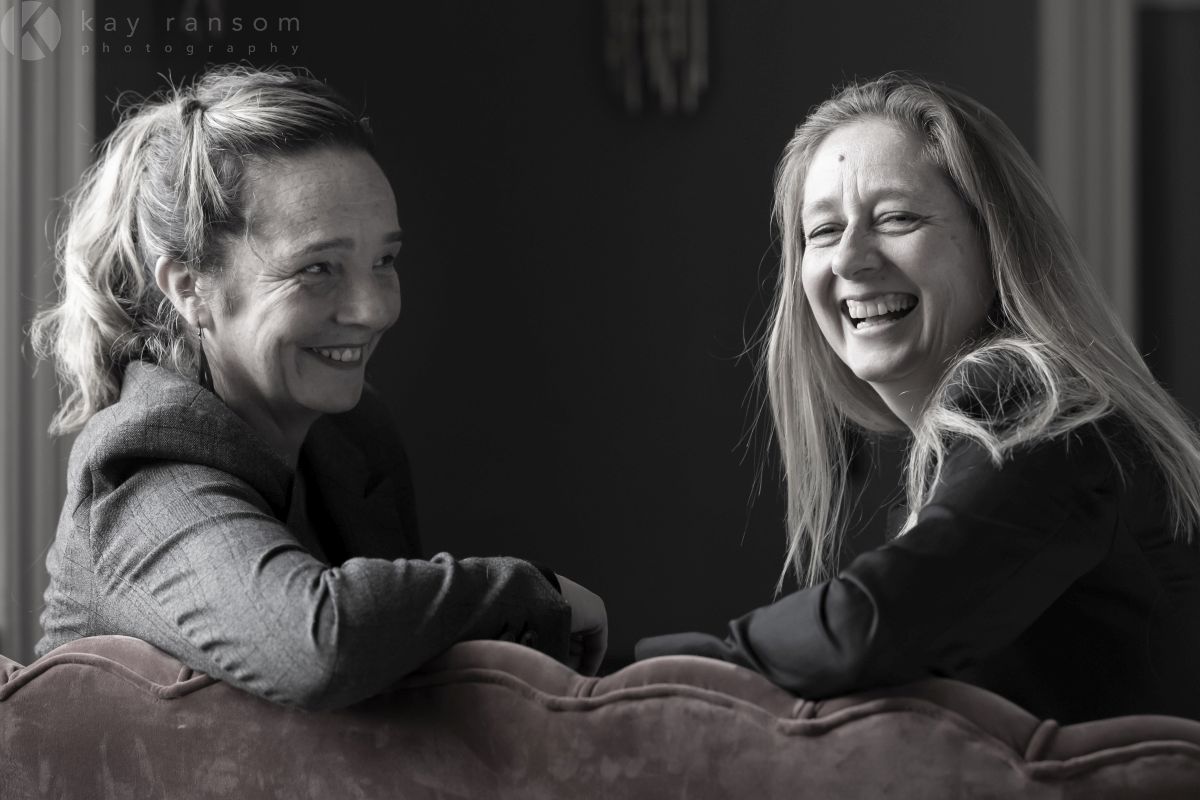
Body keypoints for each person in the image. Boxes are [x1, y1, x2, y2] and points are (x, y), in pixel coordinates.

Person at [32, 64, 606, 710]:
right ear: (190, 286)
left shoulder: (354, 436)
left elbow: (397, 701)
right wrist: (533, 591)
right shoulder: (143, 470)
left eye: (384, 261)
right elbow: (319, 644)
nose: (373, 309)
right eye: (317, 268)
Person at [636, 73, 1200, 724]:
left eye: (896, 218)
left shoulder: (1039, 407)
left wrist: (644, 671)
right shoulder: (993, 432)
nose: (849, 259)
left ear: (996, 239)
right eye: (823, 231)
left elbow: (866, 625)